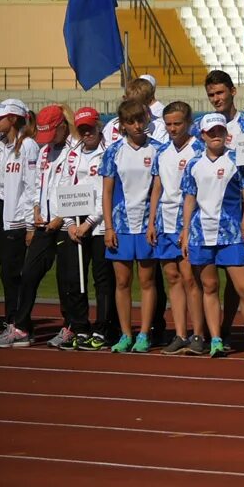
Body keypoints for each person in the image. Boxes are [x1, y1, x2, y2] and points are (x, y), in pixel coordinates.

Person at [180, 113, 244, 358]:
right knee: (210, 286)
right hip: (201, 233)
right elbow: (189, 198)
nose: (216, 136)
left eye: (220, 131)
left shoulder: (237, 159)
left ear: (226, 133)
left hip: (232, 233)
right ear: (203, 135)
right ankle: (215, 338)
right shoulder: (193, 164)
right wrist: (185, 232)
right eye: (211, 132)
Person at [0, 105, 68, 347]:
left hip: (65, 224)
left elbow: (77, 188)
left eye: (52, 133)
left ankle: (71, 326)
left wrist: (61, 216)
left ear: (62, 126)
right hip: (42, 224)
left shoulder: (73, 151)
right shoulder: (44, 151)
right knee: (28, 274)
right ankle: (21, 328)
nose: (48, 140)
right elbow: (36, 186)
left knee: (66, 279)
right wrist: (35, 214)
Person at [102, 95, 161, 353]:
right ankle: (126, 334)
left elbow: (160, 189)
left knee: (148, 281)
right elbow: (106, 192)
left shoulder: (158, 149)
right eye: (130, 121)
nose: (136, 125)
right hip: (121, 225)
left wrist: (153, 222)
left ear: (147, 119)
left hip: (148, 224)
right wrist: (109, 227)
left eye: (140, 119)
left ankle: (144, 334)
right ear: (122, 124)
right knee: (122, 282)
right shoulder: (113, 151)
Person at [55, 107, 114, 350]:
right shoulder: (72, 154)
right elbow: (64, 187)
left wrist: (90, 222)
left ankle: (103, 328)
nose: (87, 132)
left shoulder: (108, 152)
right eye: (82, 129)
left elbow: (105, 191)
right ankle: (80, 326)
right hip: (75, 225)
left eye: (90, 127)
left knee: (102, 279)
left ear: (98, 125)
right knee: (75, 278)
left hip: (98, 226)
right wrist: (69, 224)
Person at [150, 100, 203, 354]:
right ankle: (180, 333)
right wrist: (151, 221)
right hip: (165, 222)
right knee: (172, 278)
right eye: (168, 124)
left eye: (178, 124)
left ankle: (198, 334)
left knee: (190, 278)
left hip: (189, 224)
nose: (172, 129)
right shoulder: (161, 152)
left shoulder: (199, 148)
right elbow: (157, 188)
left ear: (189, 123)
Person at [0, 101, 40, 346]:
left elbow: (31, 187)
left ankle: (19, 326)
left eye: (1, 117)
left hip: (17, 220)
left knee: (13, 274)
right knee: (6, 272)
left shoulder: (28, 146)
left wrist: (29, 224)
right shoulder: (3, 145)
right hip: (1, 215)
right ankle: (14, 324)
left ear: (14, 119)